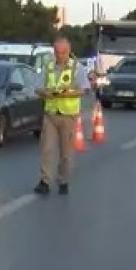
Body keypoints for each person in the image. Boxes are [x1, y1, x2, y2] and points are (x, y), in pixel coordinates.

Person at [34, 36, 88, 196]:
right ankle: (44, 181)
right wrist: (45, 92)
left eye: (63, 52)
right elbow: (37, 87)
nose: (60, 55)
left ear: (69, 51)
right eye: (57, 52)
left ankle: (63, 180)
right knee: (46, 149)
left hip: (68, 115)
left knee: (66, 153)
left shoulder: (77, 68)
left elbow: (83, 89)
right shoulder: (48, 66)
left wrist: (68, 93)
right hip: (50, 114)